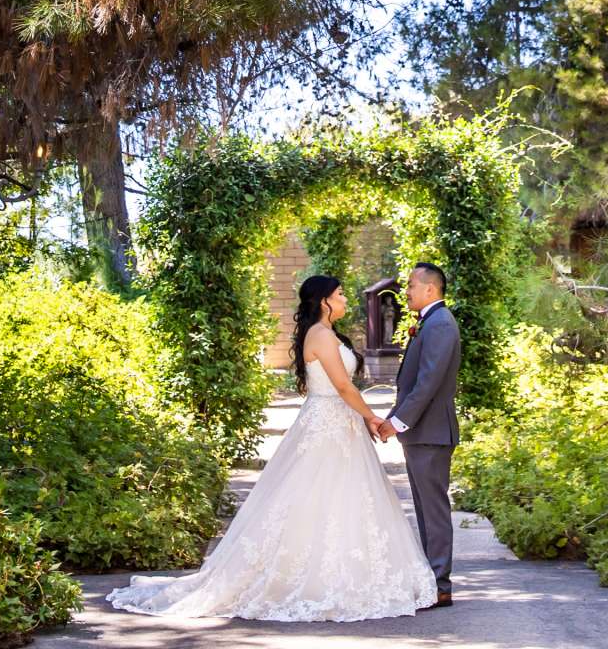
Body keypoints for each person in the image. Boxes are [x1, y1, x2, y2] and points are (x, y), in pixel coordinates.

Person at [107, 274, 439, 621]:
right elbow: (342, 385)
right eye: (340, 295)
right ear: (324, 300)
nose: (344, 300)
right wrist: (373, 418)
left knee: (345, 497)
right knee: (309, 496)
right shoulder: (321, 336)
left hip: (342, 426)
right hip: (326, 423)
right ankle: (305, 578)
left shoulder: (328, 334)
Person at [383, 261, 460, 608]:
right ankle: (433, 581)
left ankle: (441, 585)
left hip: (430, 433)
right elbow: (411, 383)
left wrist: (396, 422)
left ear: (430, 289)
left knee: (434, 511)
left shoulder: (441, 324)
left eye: (412, 285)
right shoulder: (428, 322)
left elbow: (427, 383)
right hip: (421, 433)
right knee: (426, 511)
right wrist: (393, 418)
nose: (407, 291)